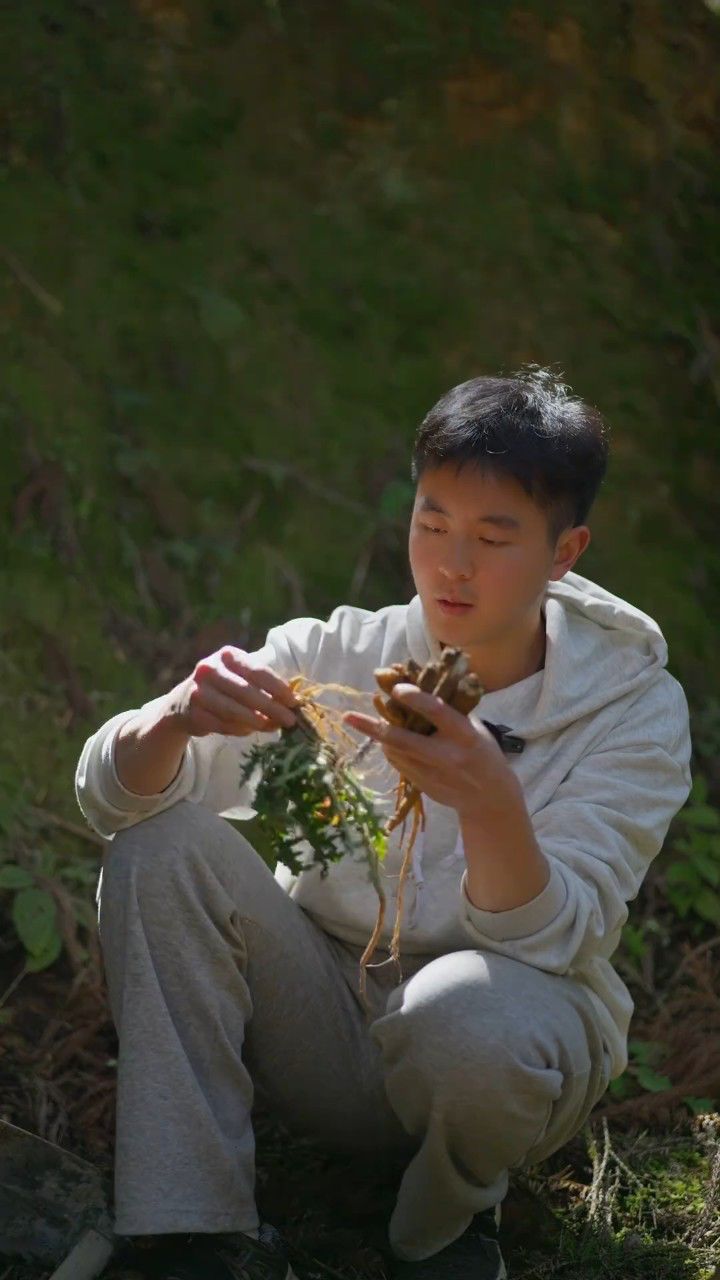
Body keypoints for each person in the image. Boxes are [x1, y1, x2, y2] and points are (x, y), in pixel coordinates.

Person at [75, 368, 692, 1280]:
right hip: (324, 1014)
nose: (453, 563)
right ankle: (191, 1230)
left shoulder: (633, 709)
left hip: (509, 1036)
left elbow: (564, 931)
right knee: (160, 848)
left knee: (465, 1017)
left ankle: (447, 1230)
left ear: (566, 552)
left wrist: (488, 799)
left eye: (493, 536)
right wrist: (174, 718)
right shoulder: (337, 653)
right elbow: (108, 800)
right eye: (432, 523)